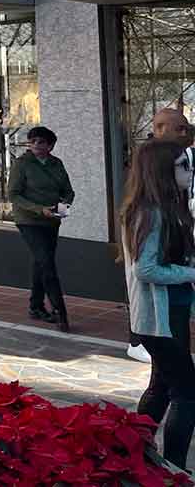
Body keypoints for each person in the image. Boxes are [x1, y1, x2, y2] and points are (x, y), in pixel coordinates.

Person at [122, 139, 195, 469]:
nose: (189, 170)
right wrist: (191, 271)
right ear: (163, 170)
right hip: (158, 320)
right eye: (183, 165)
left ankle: (133, 451)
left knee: (163, 385)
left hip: (169, 315)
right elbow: (146, 269)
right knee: (187, 393)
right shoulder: (150, 212)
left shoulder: (164, 207)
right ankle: (175, 467)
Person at [9, 125, 74, 331]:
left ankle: (36, 306)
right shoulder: (22, 164)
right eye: (33, 141)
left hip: (52, 220)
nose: (36, 145)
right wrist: (38, 209)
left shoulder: (56, 164)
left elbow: (68, 191)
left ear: (51, 145)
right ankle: (60, 311)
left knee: (42, 261)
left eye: (41, 142)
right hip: (28, 220)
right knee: (47, 264)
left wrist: (62, 209)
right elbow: (14, 194)